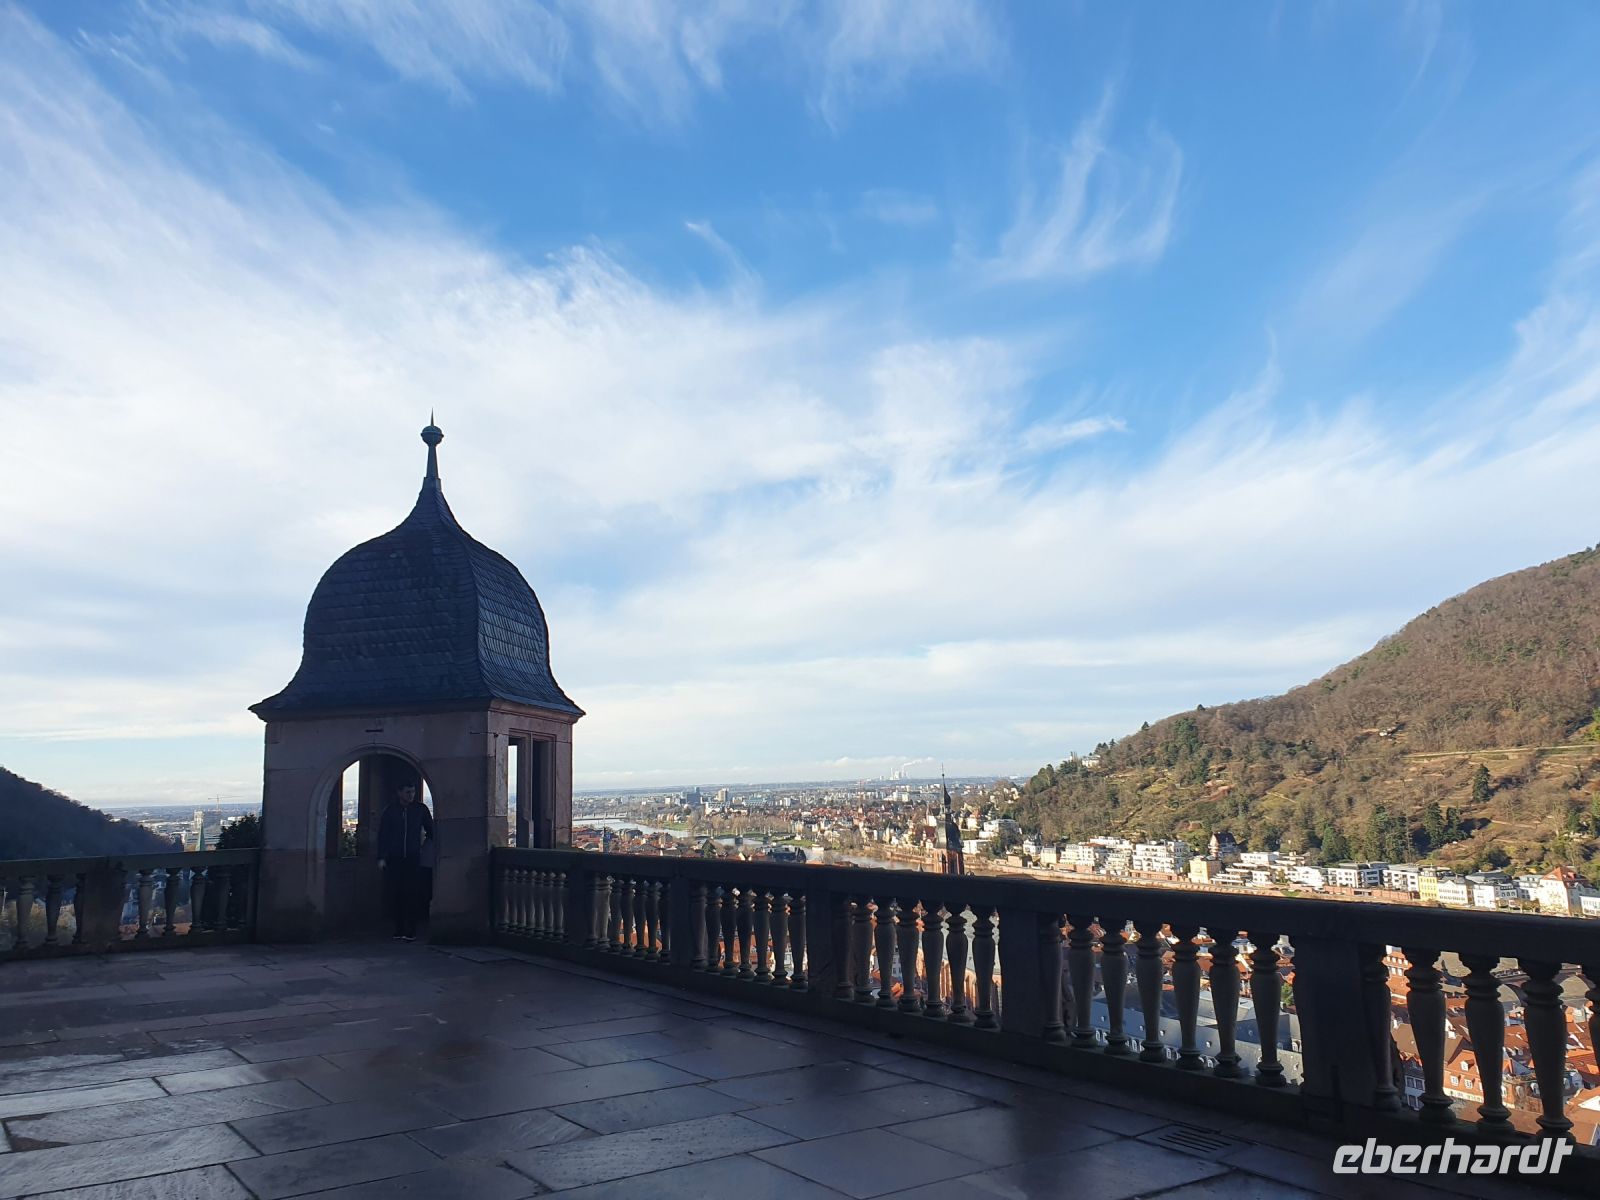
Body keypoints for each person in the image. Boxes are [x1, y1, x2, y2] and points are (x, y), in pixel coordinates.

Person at [377, 782, 434, 941]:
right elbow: (383, 835)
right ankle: (399, 928)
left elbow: (432, 831)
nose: (411, 795)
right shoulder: (390, 811)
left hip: (413, 858)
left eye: (413, 792)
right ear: (399, 792)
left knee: (412, 893)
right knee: (396, 894)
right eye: (408, 792)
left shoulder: (420, 809)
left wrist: (422, 848)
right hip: (395, 858)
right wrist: (381, 857)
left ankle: (411, 929)